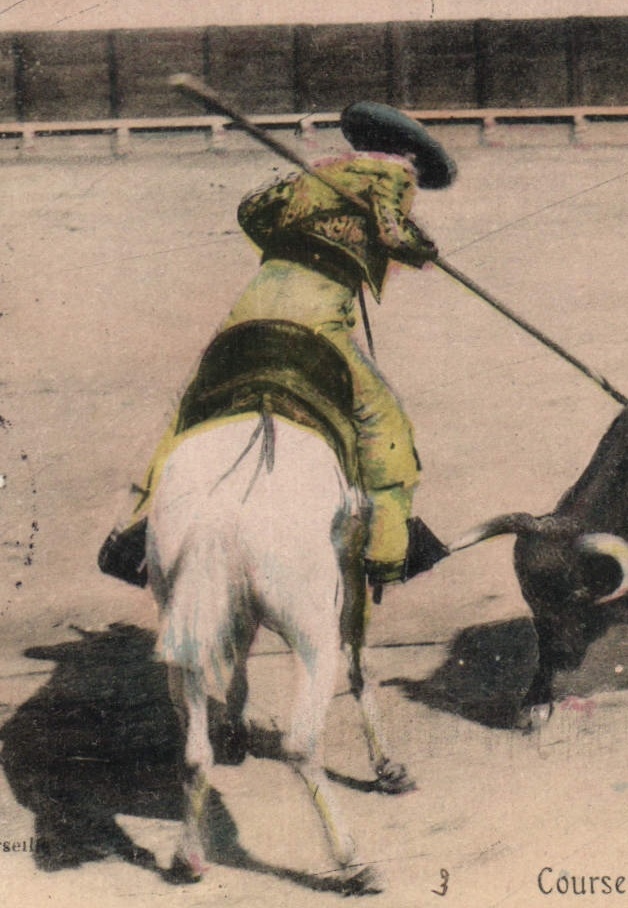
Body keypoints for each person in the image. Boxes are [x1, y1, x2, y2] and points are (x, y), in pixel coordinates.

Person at [102, 102, 456, 594]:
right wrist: (424, 250)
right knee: (384, 422)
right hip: (315, 323)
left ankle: (136, 530)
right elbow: (394, 232)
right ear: (406, 154)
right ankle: (389, 551)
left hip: (247, 315)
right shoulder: (392, 177)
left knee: (184, 414)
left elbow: (252, 212)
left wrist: (299, 232)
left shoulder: (314, 175)